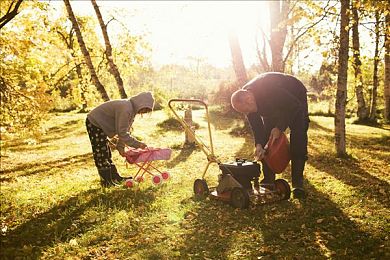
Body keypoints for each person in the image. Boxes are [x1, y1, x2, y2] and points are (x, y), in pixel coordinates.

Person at [231, 72, 309, 198]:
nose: (246, 114)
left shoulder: (269, 90)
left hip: (295, 97)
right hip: (272, 105)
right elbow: (257, 127)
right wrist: (259, 145)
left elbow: (294, 106)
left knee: (298, 137)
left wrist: (279, 127)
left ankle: (298, 184)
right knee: (267, 138)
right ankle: (268, 180)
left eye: (245, 110)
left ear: (249, 100)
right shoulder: (248, 100)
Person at [85, 91, 154, 187]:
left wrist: (120, 147)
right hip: (95, 122)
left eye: (147, 111)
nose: (144, 112)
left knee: (106, 152)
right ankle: (106, 181)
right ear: (140, 103)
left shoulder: (131, 110)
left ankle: (114, 177)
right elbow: (122, 133)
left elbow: (124, 130)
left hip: (100, 125)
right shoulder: (126, 108)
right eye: (144, 109)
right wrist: (138, 144)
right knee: (101, 152)